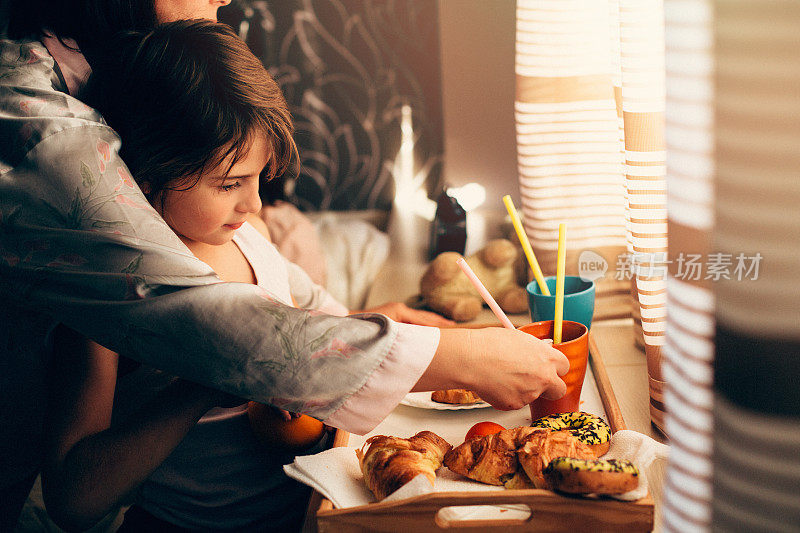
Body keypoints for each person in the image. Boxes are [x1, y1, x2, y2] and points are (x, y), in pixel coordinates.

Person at [0, 1, 568, 528]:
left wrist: (378, 317)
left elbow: (309, 328)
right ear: (142, 181)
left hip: (303, 506)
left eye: (257, 181)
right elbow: (75, 498)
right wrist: (204, 380)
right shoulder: (101, 308)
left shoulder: (244, 239)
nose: (252, 206)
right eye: (231, 184)